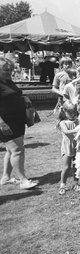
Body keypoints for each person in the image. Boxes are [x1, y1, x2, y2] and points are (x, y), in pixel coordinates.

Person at [0, 57, 38, 189]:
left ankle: (5, 177)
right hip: (5, 122)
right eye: (5, 69)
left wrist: (24, 98)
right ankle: (23, 180)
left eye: (10, 69)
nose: (9, 71)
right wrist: (1, 123)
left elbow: (14, 95)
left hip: (17, 119)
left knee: (11, 150)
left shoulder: (8, 81)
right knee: (17, 150)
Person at [57, 101, 80, 195]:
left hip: (77, 147)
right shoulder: (62, 122)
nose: (72, 115)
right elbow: (66, 132)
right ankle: (62, 185)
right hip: (67, 148)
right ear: (64, 111)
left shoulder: (77, 121)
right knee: (66, 167)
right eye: (70, 113)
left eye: (74, 113)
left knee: (77, 166)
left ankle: (76, 184)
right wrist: (77, 129)